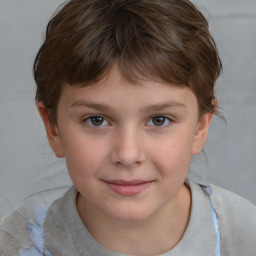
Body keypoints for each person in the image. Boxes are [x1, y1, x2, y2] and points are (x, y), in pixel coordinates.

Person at [0, 0, 255, 255]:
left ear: (200, 127)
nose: (128, 154)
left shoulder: (243, 234)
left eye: (159, 120)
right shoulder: (20, 242)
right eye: (96, 120)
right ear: (53, 128)